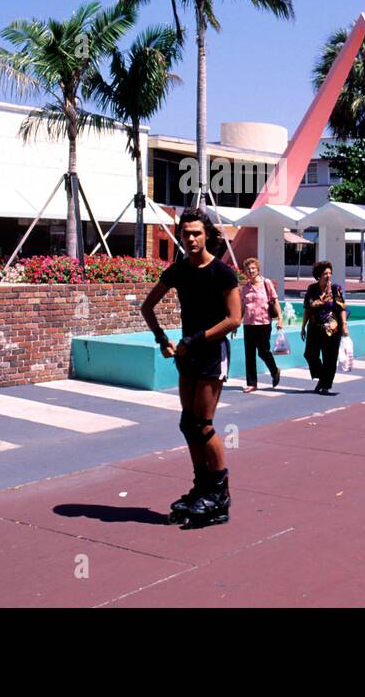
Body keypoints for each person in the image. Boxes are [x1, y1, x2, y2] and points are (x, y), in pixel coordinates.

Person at [140, 209, 242, 529]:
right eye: (186, 234)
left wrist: (196, 339)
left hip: (211, 352)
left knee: (203, 425)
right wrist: (161, 339)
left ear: (207, 234)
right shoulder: (179, 271)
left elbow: (234, 319)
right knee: (188, 423)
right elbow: (147, 306)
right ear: (180, 236)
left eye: (197, 233)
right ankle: (201, 488)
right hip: (187, 354)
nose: (192, 238)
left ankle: (219, 495)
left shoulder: (222, 273)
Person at [302, 260, 348, 394]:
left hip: (332, 329)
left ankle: (325, 385)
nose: (328, 275)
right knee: (310, 355)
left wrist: (344, 325)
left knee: (330, 358)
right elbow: (307, 309)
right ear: (318, 275)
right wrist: (302, 327)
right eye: (325, 273)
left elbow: (341, 308)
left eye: (329, 273)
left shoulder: (335, 289)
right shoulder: (312, 289)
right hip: (314, 327)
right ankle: (323, 377)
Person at [238, 257, 283, 392]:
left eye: (253, 268)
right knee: (249, 354)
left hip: (264, 322)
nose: (251, 271)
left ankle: (274, 371)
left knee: (263, 351)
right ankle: (252, 383)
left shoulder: (266, 283)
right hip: (248, 324)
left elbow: (275, 301)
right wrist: (236, 323)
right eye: (248, 269)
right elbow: (242, 307)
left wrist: (280, 318)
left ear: (258, 270)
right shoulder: (245, 288)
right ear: (245, 272)